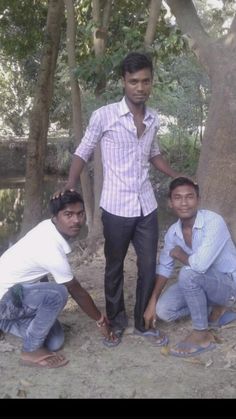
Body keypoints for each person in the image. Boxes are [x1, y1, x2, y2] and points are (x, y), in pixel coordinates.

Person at [62, 52, 181, 347]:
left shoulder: (154, 118)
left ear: (151, 82)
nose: (140, 87)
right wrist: (70, 184)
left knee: (147, 265)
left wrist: (178, 175)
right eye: (133, 82)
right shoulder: (104, 115)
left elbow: (154, 154)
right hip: (116, 207)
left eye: (145, 81)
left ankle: (142, 322)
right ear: (123, 83)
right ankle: (116, 322)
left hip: (146, 207)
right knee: (114, 267)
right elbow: (84, 150)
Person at [0, 190, 117, 368]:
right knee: (58, 293)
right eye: (68, 214)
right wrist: (100, 319)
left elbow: (41, 273)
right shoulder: (50, 246)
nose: (76, 220)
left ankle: (4, 323)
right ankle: (30, 351)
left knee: (55, 341)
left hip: (14, 295)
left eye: (80, 214)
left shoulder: (48, 228)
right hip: (5, 298)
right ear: (55, 217)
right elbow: (76, 291)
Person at [144, 177, 236, 357]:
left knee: (189, 274)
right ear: (170, 203)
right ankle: (216, 310)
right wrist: (152, 301)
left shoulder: (213, 221)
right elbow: (164, 267)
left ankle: (202, 334)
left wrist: (180, 254)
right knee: (164, 310)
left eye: (189, 197)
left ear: (198, 200)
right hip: (204, 282)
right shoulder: (173, 232)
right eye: (178, 198)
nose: (184, 203)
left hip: (229, 284)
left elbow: (200, 266)